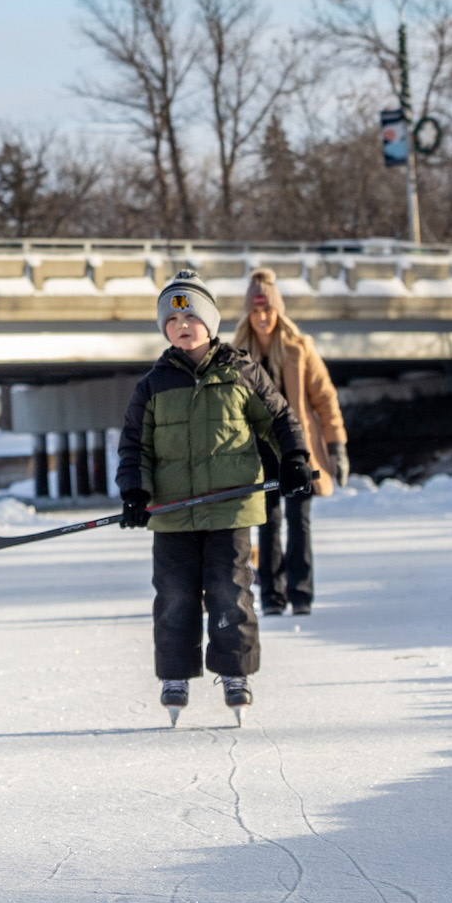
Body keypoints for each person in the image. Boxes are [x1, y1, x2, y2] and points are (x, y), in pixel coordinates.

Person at [116, 275, 310, 722]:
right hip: (172, 514)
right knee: (175, 595)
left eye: (191, 317)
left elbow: (279, 420)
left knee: (230, 591)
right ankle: (175, 674)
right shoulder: (153, 385)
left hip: (230, 509)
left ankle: (236, 671)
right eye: (173, 319)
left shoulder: (242, 372)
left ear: (211, 323)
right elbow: (134, 445)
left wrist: (294, 459)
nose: (182, 325)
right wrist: (134, 491)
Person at [233, 267, 348, 616]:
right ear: (248, 314)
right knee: (267, 519)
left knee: (299, 519)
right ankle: (271, 594)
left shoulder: (300, 349)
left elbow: (325, 398)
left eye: (268, 310)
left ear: (278, 311)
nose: (263, 318)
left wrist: (336, 446)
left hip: (299, 448)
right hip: (260, 450)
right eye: (255, 312)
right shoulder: (237, 354)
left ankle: (301, 593)